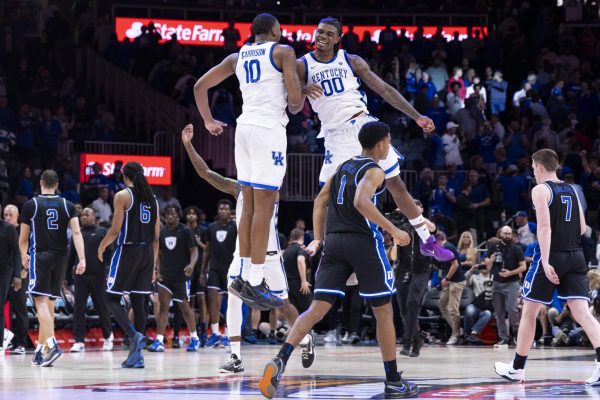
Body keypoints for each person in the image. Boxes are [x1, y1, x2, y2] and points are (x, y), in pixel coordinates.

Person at [258, 121, 418, 399]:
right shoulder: (375, 170)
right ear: (380, 143)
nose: (390, 146)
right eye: (389, 141)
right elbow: (361, 202)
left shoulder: (342, 167)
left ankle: (281, 360)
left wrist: (318, 238)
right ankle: (393, 380)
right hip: (363, 243)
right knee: (383, 311)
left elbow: (320, 201)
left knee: (316, 309)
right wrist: (394, 230)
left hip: (334, 242)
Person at [297, 17, 452, 264]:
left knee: (396, 184)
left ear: (337, 39)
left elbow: (385, 90)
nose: (322, 36)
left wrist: (416, 116)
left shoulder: (352, 60)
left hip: (363, 125)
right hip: (335, 134)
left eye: (328, 33)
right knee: (326, 196)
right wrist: (301, 91)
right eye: (319, 32)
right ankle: (324, 248)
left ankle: (427, 240)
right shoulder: (301, 66)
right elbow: (291, 104)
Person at [181, 124, 313, 374]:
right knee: (232, 298)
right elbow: (206, 173)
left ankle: (305, 340)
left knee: (282, 304)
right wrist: (188, 145)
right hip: (241, 256)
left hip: (270, 256)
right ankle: (235, 358)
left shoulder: (270, 185)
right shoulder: (238, 187)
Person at [194, 13, 302, 309]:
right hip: (268, 131)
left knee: (249, 206)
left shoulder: (236, 57)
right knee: (265, 207)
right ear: (275, 30)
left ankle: (243, 272)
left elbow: (199, 87)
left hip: (244, 130)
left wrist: (207, 120)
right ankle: (255, 281)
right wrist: (300, 90)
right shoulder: (284, 52)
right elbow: (295, 104)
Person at [495, 149, 600, 386]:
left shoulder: (540, 189)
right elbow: (583, 227)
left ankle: (517, 370)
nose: (533, 171)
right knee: (583, 313)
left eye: (533, 167)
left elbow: (543, 228)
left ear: (540, 167)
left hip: (551, 256)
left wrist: (545, 260)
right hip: (576, 256)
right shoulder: (572, 189)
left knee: (529, 312)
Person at [18, 170, 86, 366]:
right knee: (48, 305)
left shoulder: (31, 205)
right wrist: (82, 259)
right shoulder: (69, 205)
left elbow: (22, 239)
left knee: (40, 302)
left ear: (41, 183)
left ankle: (52, 343)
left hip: (40, 255)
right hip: (61, 257)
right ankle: (41, 350)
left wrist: (24, 255)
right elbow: (76, 232)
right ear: (57, 184)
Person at [97, 162, 160, 369]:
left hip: (127, 250)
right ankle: (137, 356)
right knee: (138, 301)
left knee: (111, 298)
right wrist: (152, 266)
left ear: (125, 176)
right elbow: (156, 237)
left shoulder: (123, 196)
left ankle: (133, 335)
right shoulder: (153, 199)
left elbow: (115, 231)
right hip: (147, 253)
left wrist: (102, 246)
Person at [148, 205, 200, 352]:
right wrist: (157, 269)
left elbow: (194, 250)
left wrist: (191, 264)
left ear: (178, 216)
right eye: (167, 214)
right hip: (166, 277)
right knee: (163, 309)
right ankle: (159, 341)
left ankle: (195, 338)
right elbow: (159, 253)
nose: (169, 216)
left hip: (181, 277)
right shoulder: (162, 232)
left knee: (184, 308)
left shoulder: (185, 231)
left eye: (172, 214)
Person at [390, 200, 435, 358]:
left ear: (421, 209)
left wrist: (414, 214)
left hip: (420, 270)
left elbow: (432, 228)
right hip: (403, 270)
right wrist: (395, 243)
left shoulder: (424, 225)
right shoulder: (401, 227)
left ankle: (407, 341)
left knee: (413, 302)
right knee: (404, 310)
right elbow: (394, 257)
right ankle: (417, 340)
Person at [68, 207, 114, 352]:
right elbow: (71, 256)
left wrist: (108, 272)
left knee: (101, 307)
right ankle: (79, 341)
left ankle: (107, 337)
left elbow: (110, 253)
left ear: (94, 216)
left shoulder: (102, 232)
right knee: (79, 309)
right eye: (82, 215)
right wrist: (66, 277)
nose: (83, 217)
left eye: (87, 214)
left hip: (98, 276)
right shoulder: (77, 234)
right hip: (81, 277)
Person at [202, 199, 237, 348]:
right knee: (211, 297)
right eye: (221, 209)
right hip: (215, 269)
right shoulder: (211, 227)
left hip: (231, 269)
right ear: (218, 211)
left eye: (226, 209)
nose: (223, 211)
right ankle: (215, 332)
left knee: (230, 303)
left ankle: (228, 335)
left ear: (230, 212)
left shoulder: (236, 228)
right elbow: (207, 250)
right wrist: (203, 270)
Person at [487, 226, 526, 346]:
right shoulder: (493, 246)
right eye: (505, 233)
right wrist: (491, 260)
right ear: (500, 234)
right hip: (497, 282)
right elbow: (488, 265)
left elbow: (523, 267)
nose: (508, 236)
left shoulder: (517, 249)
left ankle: (515, 333)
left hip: (512, 283)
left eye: (510, 233)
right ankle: (503, 337)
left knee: (512, 309)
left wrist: (510, 273)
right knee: (499, 312)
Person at [3, 204, 28, 354]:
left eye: (10, 215)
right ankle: (7, 339)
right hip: (5, 275)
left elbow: (29, 253)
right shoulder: (3, 230)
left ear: (17, 216)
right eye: (5, 214)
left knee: (20, 310)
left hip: (20, 275)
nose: (7, 217)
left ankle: (21, 343)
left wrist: (23, 271)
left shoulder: (23, 231)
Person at [184, 205, 208, 346]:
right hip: (187, 269)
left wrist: (198, 241)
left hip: (200, 268)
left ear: (197, 216)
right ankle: (192, 331)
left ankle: (203, 329)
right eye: (189, 214)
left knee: (201, 299)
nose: (191, 216)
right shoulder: (183, 231)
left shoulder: (203, 231)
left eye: (194, 214)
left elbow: (207, 250)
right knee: (190, 302)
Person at [436, 231, 465, 345]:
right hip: (450, 281)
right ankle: (457, 329)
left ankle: (456, 334)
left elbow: (455, 264)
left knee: (453, 309)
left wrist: (446, 279)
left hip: (456, 281)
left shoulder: (447, 247)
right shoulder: (443, 248)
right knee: (442, 305)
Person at [0, 205, 20, 351]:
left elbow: (16, 253)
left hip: (4, 272)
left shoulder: (8, 229)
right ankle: (5, 333)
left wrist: (17, 275)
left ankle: (1, 342)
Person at [283, 228, 312, 314]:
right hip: (299, 283)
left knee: (296, 309)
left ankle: (299, 327)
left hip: (288, 284)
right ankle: (308, 327)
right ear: (302, 237)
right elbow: (300, 260)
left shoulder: (286, 251)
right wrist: (304, 281)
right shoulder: (300, 249)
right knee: (310, 309)